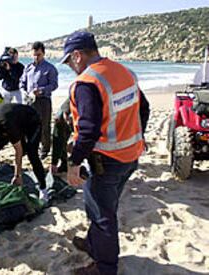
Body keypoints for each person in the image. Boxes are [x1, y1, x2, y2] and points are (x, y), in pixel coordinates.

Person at [60, 31, 150, 275]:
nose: (70, 67)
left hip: (106, 161)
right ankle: (93, 245)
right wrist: (138, 138)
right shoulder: (124, 72)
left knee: (102, 216)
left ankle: (105, 268)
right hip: (130, 156)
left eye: (69, 61)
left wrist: (74, 162)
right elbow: (144, 108)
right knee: (104, 207)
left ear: (77, 56)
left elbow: (88, 130)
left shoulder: (87, 82)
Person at [0, 103, 50, 202]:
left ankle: (43, 189)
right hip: (13, 123)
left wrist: (17, 175)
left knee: (31, 153)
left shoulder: (5, 122)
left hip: (31, 121)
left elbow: (18, 150)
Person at [20, 41, 58, 159]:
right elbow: (22, 82)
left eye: (39, 55)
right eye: (34, 54)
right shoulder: (28, 67)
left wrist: (41, 90)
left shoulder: (50, 68)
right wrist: (23, 91)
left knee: (44, 125)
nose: (36, 57)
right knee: (28, 125)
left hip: (43, 101)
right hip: (29, 100)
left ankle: (45, 149)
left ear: (43, 54)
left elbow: (54, 85)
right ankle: (30, 147)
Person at [51, 98, 72, 174]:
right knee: (60, 141)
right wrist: (54, 163)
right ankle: (64, 164)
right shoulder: (60, 120)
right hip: (63, 117)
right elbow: (57, 142)